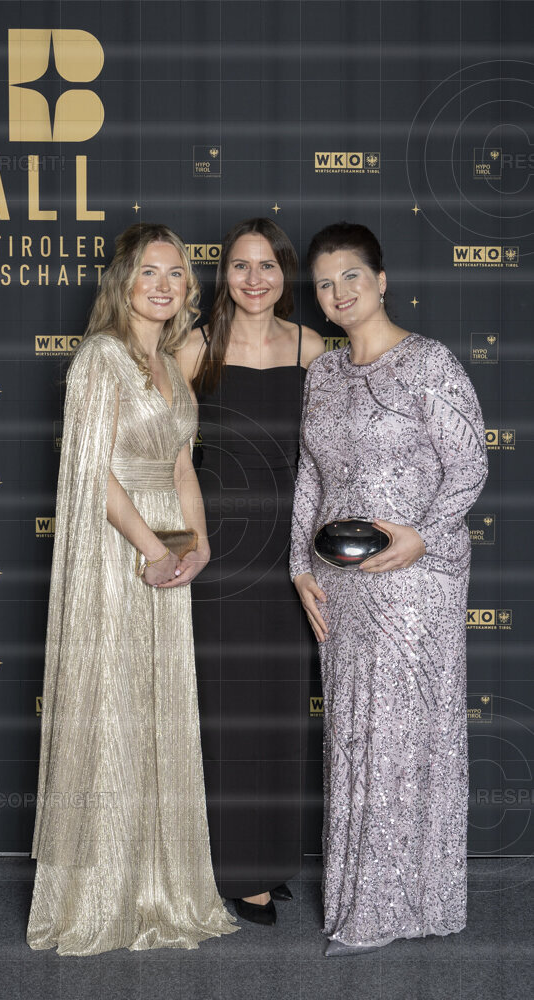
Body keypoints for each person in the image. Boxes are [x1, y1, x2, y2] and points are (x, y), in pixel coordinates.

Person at [26, 223, 238, 956]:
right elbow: (93, 473)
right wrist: (151, 549)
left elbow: (181, 467)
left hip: (168, 553)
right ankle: (99, 894)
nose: (163, 285)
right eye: (150, 271)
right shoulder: (100, 358)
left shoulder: (172, 366)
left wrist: (197, 544)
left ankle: (160, 884)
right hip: (116, 554)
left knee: (159, 709)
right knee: (112, 708)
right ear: (123, 281)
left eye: (176, 274)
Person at [290, 221, 489, 956]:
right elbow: (310, 478)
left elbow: (468, 466)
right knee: (354, 734)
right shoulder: (323, 374)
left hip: (414, 580)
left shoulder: (429, 362)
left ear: (380, 280)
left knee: (404, 734)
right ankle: (360, 896)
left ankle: (405, 903)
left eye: (350, 276)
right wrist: (298, 566)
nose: (337, 292)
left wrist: (421, 536)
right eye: (323, 283)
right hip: (339, 585)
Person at [177, 217, 325, 926]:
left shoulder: (310, 347)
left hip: (291, 550)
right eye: (241, 265)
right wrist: (179, 540)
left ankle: (271, 859)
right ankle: (236, 872)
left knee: (280, 707)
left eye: (267, 265)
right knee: (228, 708)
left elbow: (330, 457)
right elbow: (166, 453)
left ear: (284, 272)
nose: (254, 278)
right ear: (224, 274)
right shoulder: (195, 346)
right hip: (221, 549)